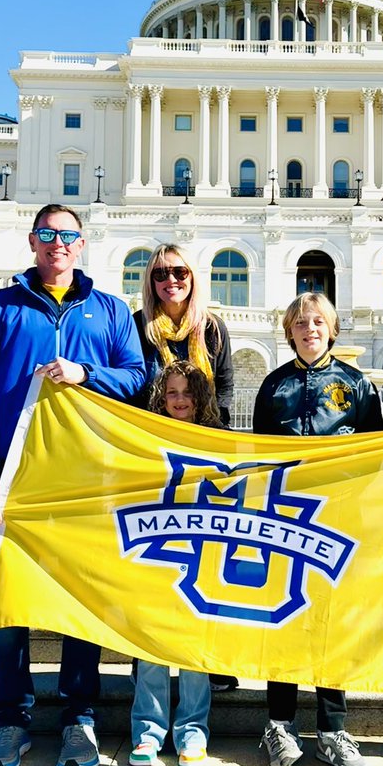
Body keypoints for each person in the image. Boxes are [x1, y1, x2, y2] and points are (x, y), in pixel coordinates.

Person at [0, 203, 146, 766]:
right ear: (33, 242)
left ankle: (79, 718)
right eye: (47, 235)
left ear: (82, 244)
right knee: (9, 602)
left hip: (85, 477)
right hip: (18, 477)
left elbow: (138, 379)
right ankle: (11, 719)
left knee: (77, 600)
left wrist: (87, 374)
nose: (56, 244)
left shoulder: (110, 311)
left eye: (67, 235)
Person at [252, 292, 383, 766]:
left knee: (331, 618)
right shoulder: (274, 385)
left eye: (318, 322)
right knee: (283, 614)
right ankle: (279, 724)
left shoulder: (357, 386)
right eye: (301, 323)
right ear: (290, 331)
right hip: (284, 517)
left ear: (332, 330)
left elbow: (374, 451)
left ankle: (333, 728)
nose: (310, 329)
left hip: (337, 517)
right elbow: (258, 452)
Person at [132, 243, 237, 692]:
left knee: (206, 562)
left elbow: (227, 390)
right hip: (153, 460)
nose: (170, 280)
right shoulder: (138, 327)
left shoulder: (211, 328)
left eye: (180, 272)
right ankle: (149, 657)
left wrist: (214, 443)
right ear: (150, 283)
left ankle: (212, 659)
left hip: (203, 460)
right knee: (155, 563)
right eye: (160, 274)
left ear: (193, 277)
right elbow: (131, 385)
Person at [128, 361, 222, 766]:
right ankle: (148, 731)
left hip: (201, 553)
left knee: (192, 647)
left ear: (201, 397)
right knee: (151, 647)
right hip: (157, 550)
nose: (179, 400)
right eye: (171, 393)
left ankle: (192, 731)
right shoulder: (146, 435)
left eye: (187, 392)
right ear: (160, 398)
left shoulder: (217, 440)